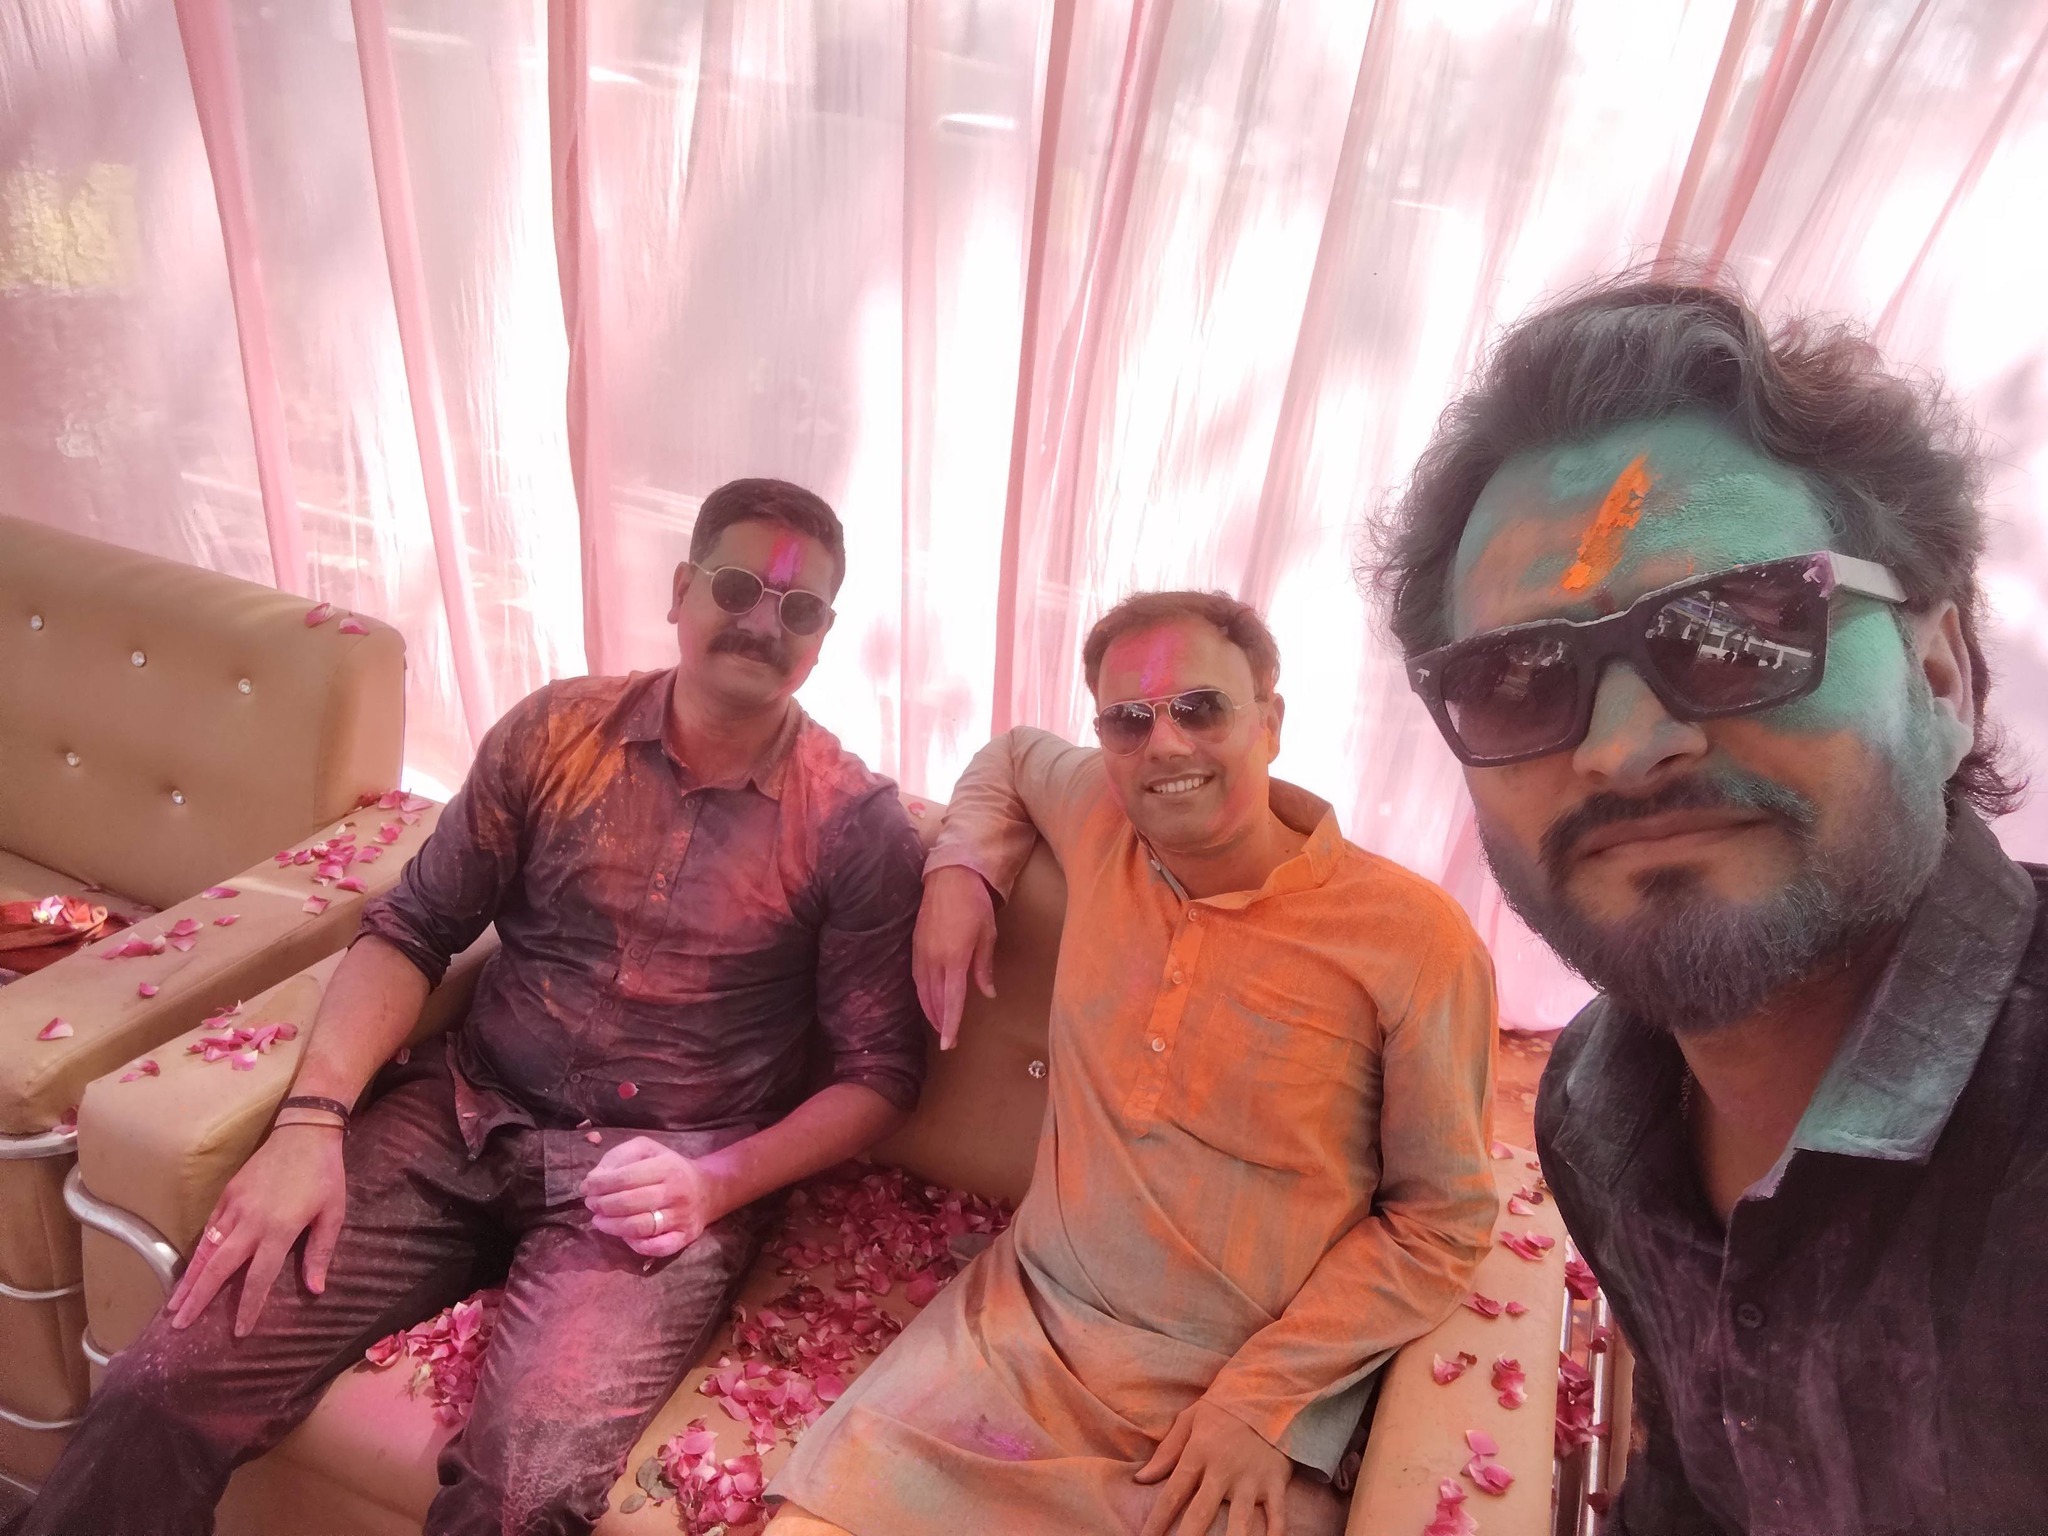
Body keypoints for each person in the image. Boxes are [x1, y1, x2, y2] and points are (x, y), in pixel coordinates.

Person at [8, 478, 929, 1536]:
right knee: (165, 1383)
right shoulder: (557, 734)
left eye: (799, 607)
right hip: (459, 1119)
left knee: (521, 1498)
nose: (763, 622)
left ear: (821, 639)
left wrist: (714, 1183)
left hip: (651, 1177)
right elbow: (412, 930)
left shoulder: (851, 825)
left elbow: (879, 1079)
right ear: (680, 591)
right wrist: (309, 1122)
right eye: (736, 588)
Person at [1376, 274, 2048, 1534]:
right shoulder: (1594, 1110)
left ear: (1940, 676)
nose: (1623, 749)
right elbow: (1696, 1476)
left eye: (1734, 628)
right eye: (1516, 677)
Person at [768, 590, 1498, 1536]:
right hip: (1012, 1335)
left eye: (1201, 708)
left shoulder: (1415, 941)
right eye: (1129, 720)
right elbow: (1013, 756)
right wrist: (959, 872)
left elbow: (1442, 1220)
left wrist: (1264, 1402)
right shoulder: (1104, 819)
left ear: (1270, 722)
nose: (1165, 746)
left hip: (1226, 1401)